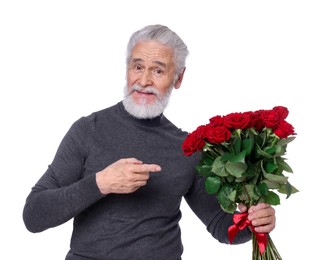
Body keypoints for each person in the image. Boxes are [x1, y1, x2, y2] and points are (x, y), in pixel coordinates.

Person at [23, 24, 276, 260]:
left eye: (157, 70)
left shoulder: (187, 147)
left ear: (178, 78)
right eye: (137, 67)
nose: (144, 81)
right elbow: (33, 215)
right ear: (127, 69)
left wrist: (251, 221)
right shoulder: (88, 130)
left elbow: (221, 226)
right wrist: (101, 182)